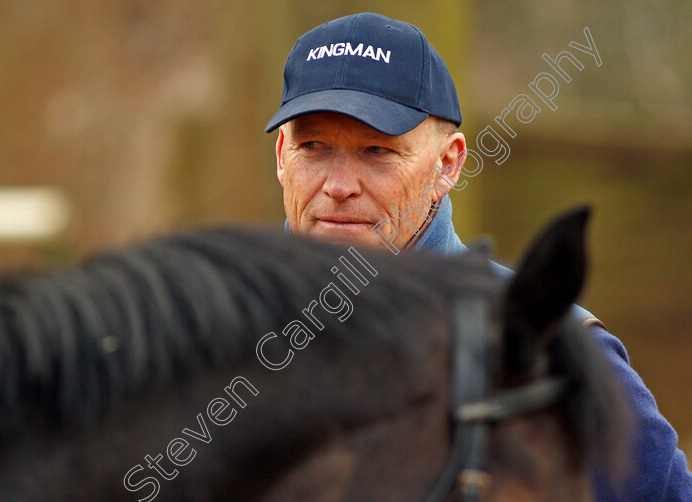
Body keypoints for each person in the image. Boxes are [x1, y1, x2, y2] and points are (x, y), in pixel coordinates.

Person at [264, 12, 692, 502]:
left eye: (377, 151)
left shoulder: (553, 351)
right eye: (313, 147)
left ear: (448, 165)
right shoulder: (212, 337)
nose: (338, 186)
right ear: (281, 157)